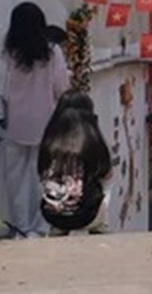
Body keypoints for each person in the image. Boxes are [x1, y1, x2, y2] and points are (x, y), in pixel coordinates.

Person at [3, 2, 70, 237]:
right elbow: (61, 87)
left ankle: (20, 226)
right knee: (45, 177)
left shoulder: (11, 53)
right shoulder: (52, 53)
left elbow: (4, 87)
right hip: (46, 123)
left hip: (17, 122)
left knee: (16, 178)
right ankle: (40, 227)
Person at [37, 91, 113, 235]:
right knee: (105, 184)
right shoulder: (92, 142)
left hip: (51, 215)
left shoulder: (49, 143)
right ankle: (100, 226)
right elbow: (107, 173)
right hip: (87, 216)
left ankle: (58, 228)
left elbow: (41, 172)